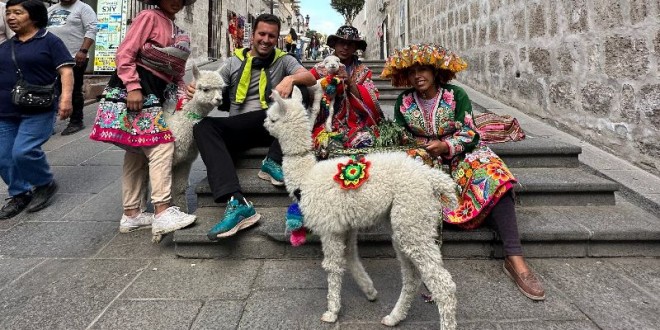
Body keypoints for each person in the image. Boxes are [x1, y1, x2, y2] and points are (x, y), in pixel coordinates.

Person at [381, 44, 545, 301]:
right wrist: (420, 149)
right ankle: (426, 266)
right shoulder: (404, 101)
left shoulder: (456, 95)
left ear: (435, 71)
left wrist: (447, 145)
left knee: (495, 173)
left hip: (461, 153)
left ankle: (515, 260)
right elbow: (401, 136)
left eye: (423, 68)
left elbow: (470, 132)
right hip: (424, 158)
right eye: (411, 71)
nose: (417, 76)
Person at [190, 14, 316, 239]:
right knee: (203, 127)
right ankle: (237, 203)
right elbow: (213, 81)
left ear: (277, 38)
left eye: (272, 36)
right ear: (253, 35)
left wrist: (290, 80)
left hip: (272, 125)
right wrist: (197, 87)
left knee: (302, 92)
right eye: (262, 34)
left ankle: (273, 161)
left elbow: (309, 77)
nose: (266, 40)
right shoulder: (233, 62)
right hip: (240, 125)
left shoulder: (284, 60)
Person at [89, 0, 196, 236]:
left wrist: (182, 92)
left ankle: (132, 214)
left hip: (156, 90)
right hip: (140, 88)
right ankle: (162, 211)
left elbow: (174, 70)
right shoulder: (149, 17)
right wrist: (133, 87)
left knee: (137, 152)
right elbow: (125, 52)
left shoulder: (173, 25)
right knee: (160, 144)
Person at [0, 0, 74, 219]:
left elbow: (66, 72)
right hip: (5, 109)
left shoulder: (50, 41)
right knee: (4, 156)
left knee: (23, 151)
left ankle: (44, 183)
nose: (11, 17)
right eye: (8, 13)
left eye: (17, 13)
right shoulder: (6, 47)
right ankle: (19, 193)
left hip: (38, 108)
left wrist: (66, 99)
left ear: (33, 16)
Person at [310, 25, 384, 152]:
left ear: (355, 47)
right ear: (335, 45)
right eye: (341, 43)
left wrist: (350, 82)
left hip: (356, 124)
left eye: (350, 44)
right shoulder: (320, 68)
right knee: (326, 146)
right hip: (324, 122)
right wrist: (291, 79)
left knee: (366, 142)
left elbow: (372, 99)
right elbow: (308, 81)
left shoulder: (363, 72)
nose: (345, 47)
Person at [46, 0, 98, 136]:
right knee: (49, 89)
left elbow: (92, 29)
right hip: (51, 58)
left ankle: (76, 121)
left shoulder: (83, 8)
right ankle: (47, 124)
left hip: (74, 56)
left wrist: (83, 50)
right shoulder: (52, 9)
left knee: (74, 89)